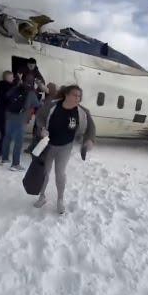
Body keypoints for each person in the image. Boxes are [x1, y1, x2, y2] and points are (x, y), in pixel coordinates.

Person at [33, 84, 96, 214]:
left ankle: (60, 200)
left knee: (60, 174)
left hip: (65, 147)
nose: (77, 98)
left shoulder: (82, 112)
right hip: (48, 145)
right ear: (66, 94)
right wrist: (42, 129)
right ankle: (42, 196)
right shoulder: (52, 105)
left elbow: (91, 127)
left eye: (79, 96)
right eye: (74, 95)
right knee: (44, 172)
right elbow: (40, 117)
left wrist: (89, 140)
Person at [0, 72, 41, 171]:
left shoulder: (16, 88)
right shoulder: (31, 92)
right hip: (21, 118)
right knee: (18, 142)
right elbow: (37, 105)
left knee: (7, 137)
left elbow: (7, 95)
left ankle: (4, 158)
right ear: (32, 82)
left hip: (9, 115)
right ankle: (15, 164)